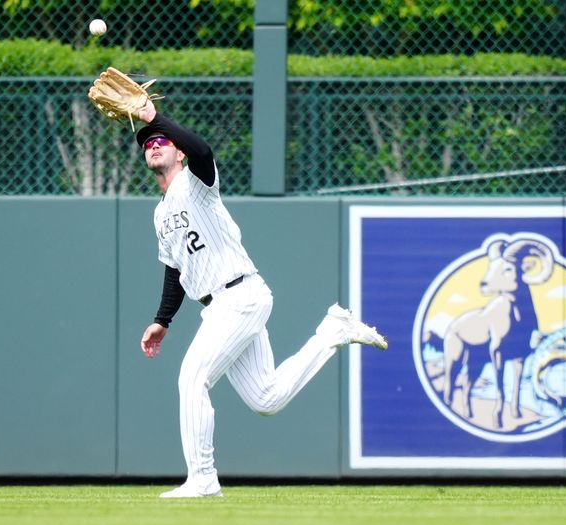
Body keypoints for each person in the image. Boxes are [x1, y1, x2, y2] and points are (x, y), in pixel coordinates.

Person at [135, 99, 387, 498]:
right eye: (147, 143)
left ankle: (202, 478)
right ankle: (334, 331)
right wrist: (162, 320)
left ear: (178, 151)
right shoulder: (159, 212)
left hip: (239, 295)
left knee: (192, 378)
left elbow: (202, 151)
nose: (153, 144)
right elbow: (174, 270)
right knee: (267, 397)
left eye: (161, 139)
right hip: (220, 305)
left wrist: (155, 117)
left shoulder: (196, 183)